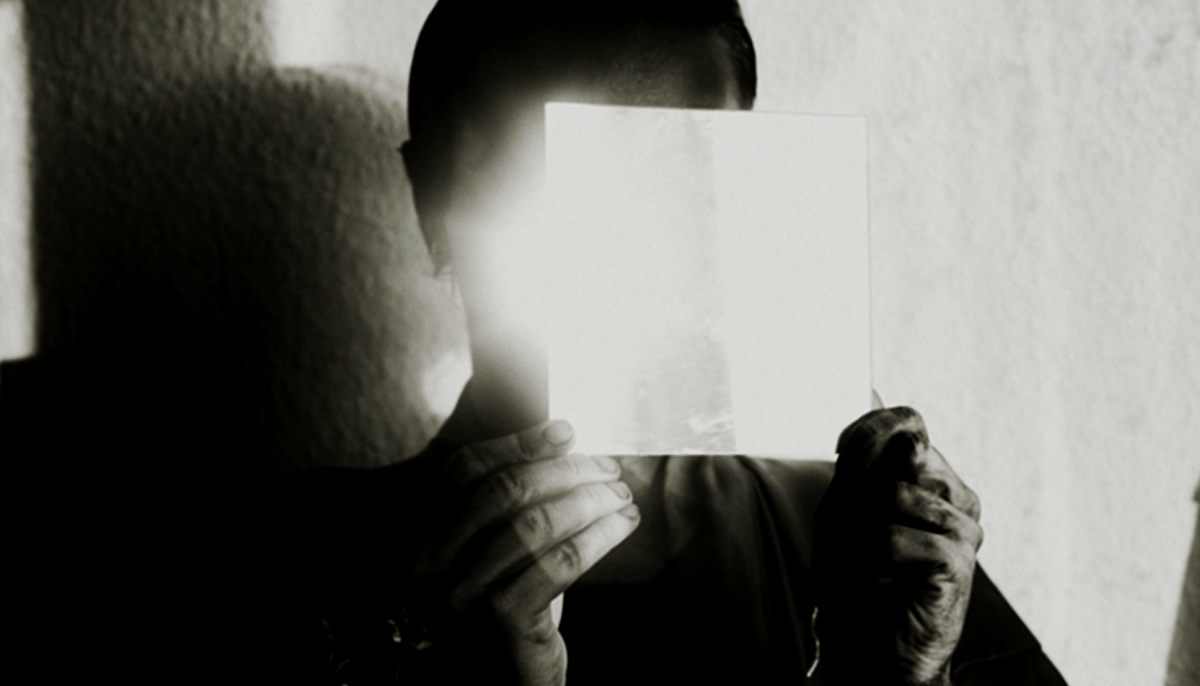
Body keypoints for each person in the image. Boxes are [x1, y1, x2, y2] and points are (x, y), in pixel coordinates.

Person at [247, 1, 1064, 685]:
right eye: (548, 173)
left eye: (687, 167)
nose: (629, 231)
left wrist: (895, 680)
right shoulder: (307, 568)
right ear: (435, 203)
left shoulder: (848, 528)